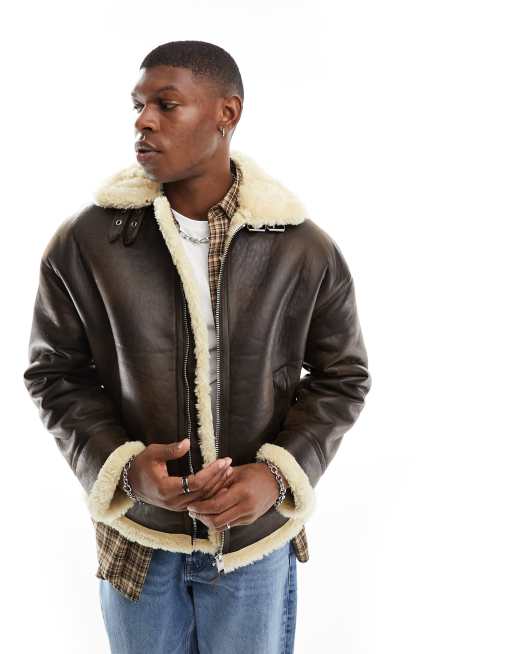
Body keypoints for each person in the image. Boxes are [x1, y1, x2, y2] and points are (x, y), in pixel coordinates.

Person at [23, 39, 372, 654]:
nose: (143, 121)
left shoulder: (301, 247)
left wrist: (276, 475)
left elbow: (342, 377)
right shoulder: (87, 241)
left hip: (254, 542)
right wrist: (124, 469)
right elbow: (55, 374)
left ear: (226, 114)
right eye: (137, 105)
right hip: (138, 538)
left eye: (166, 104)